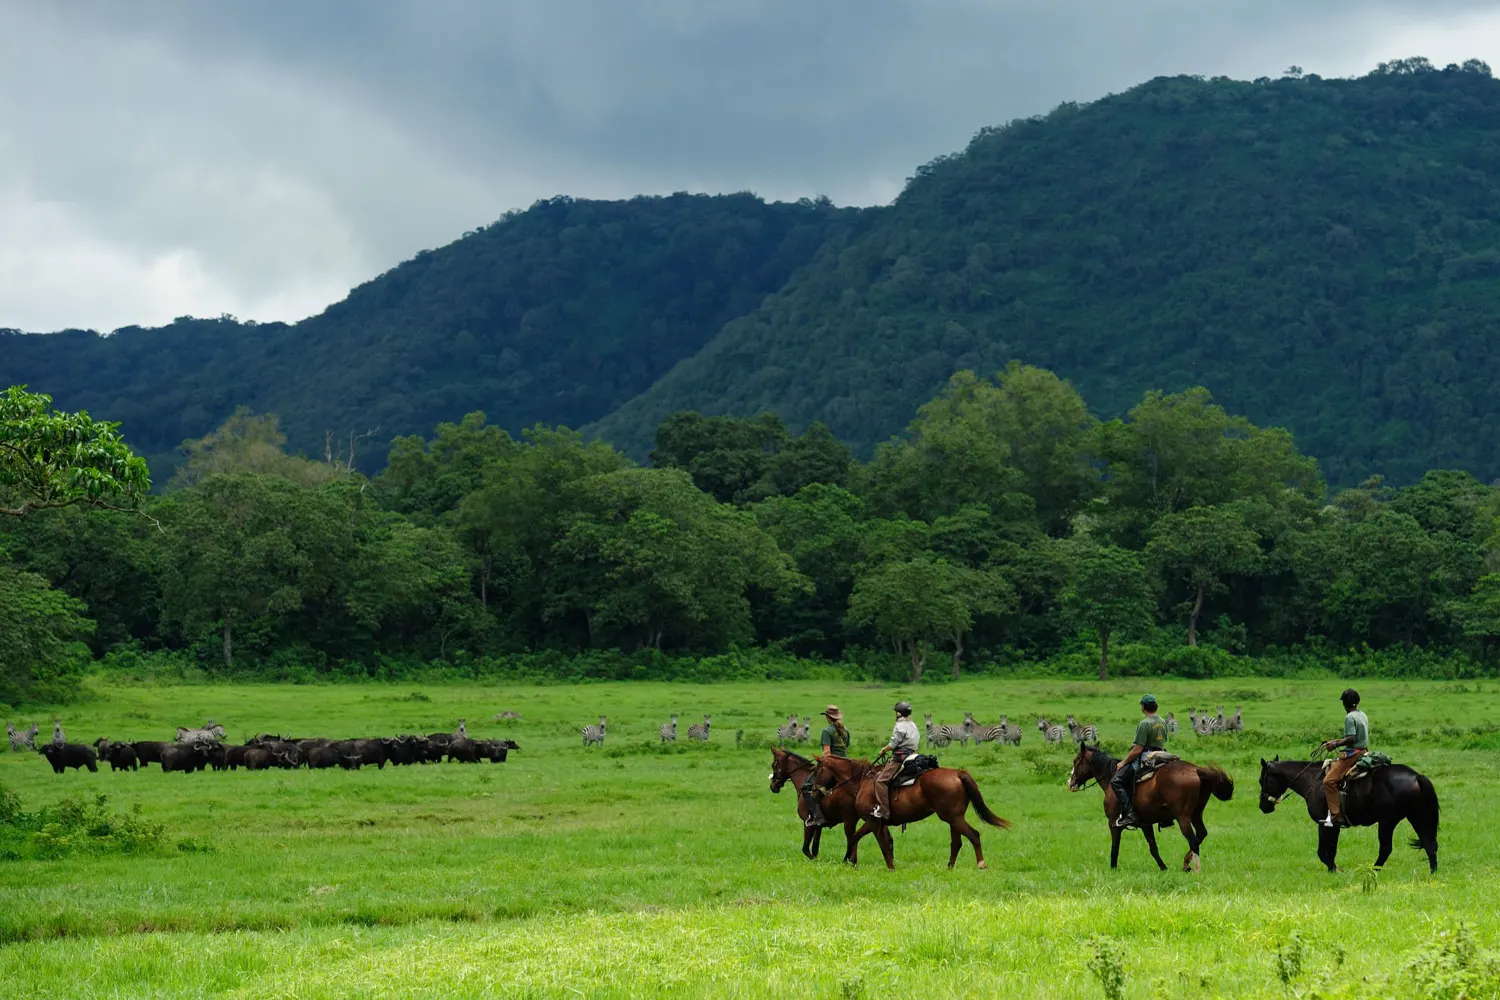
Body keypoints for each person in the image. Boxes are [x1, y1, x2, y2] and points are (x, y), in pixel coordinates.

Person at [1112, 694, 1169, 828]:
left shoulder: (1144, 724)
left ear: (1143, 707)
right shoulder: (1163, 721)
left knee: (1116, 781)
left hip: (1146, 755)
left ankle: (1130, 814)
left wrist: (1123, 762)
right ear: (1155, 707)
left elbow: (1137, 750)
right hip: (1161, 753)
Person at [1319, 688, 1369, 827]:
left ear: (1345, 704)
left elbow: (1351, 739)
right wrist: (1334, 740)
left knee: (1328, 781)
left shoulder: (1349, 717)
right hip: (1364, 750)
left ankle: (1335, 816)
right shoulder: (1362, 714)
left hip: (1353, 754)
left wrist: (1335, 744)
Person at [872, 701, 921, 820]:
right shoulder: (913, 724)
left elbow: (893, 744)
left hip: (901, 757)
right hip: (913, 754)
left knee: (880, 781)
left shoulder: (899, 725)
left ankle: (884, 811)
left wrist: (883, 750)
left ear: (899, 713)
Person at [802, 705, 849, 828]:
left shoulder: (827, 731)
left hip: (832, 767)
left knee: (806, 787)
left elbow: (827, 753)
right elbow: (845, 749)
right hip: (845, 767)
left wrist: (820, 761)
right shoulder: (846, 730)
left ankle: (817, 816)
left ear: (827, 717)